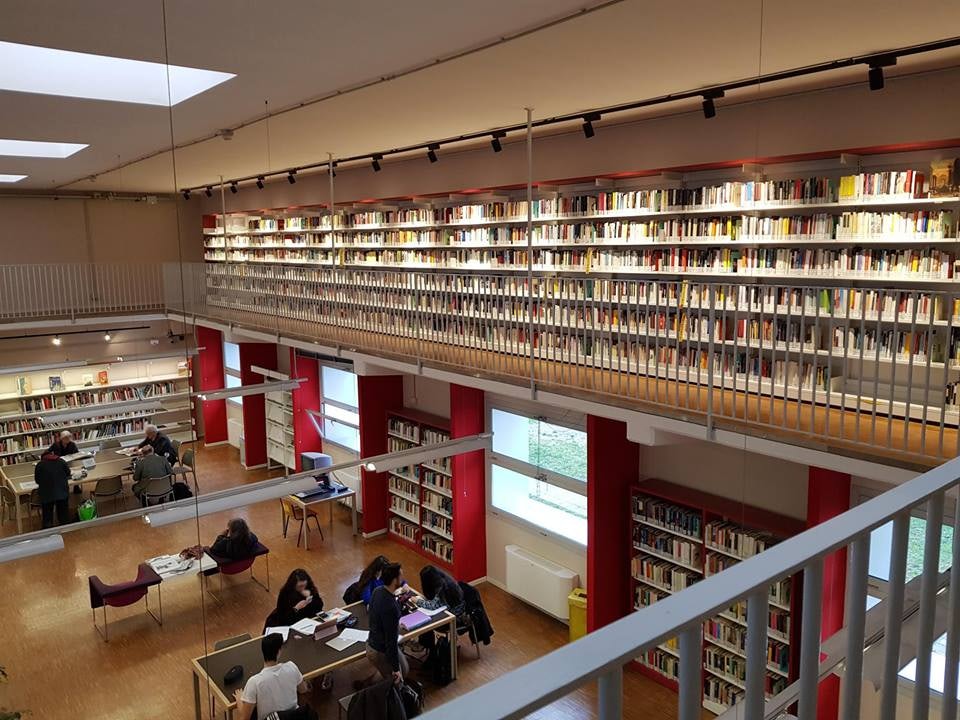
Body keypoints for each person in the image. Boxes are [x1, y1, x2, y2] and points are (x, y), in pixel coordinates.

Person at [234, 633, 308, 720]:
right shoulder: (292, 667)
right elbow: (303, 690)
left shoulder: (254, 682)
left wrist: (239, 700)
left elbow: (244, 718)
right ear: (279, 651)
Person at [365, 562, 408, 684]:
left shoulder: (378, 591)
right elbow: (391, 642)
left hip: (373, 641)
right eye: (401, 576)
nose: (403, 578)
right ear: (395, 580)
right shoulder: (391, 607)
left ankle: (375, 679)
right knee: (397, 679)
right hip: (380, 650)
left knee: (405, 669)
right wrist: (395, 669)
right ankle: (372, 688)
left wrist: (396, 626)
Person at [34, 452, 70, 528]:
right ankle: (65, 529)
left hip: (46, 493)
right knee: (63, 514)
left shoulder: (40, 465)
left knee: (47, 514)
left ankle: (48, 529)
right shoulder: (61, 461)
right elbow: (68, 473)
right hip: (62, 491)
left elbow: (37, 480)